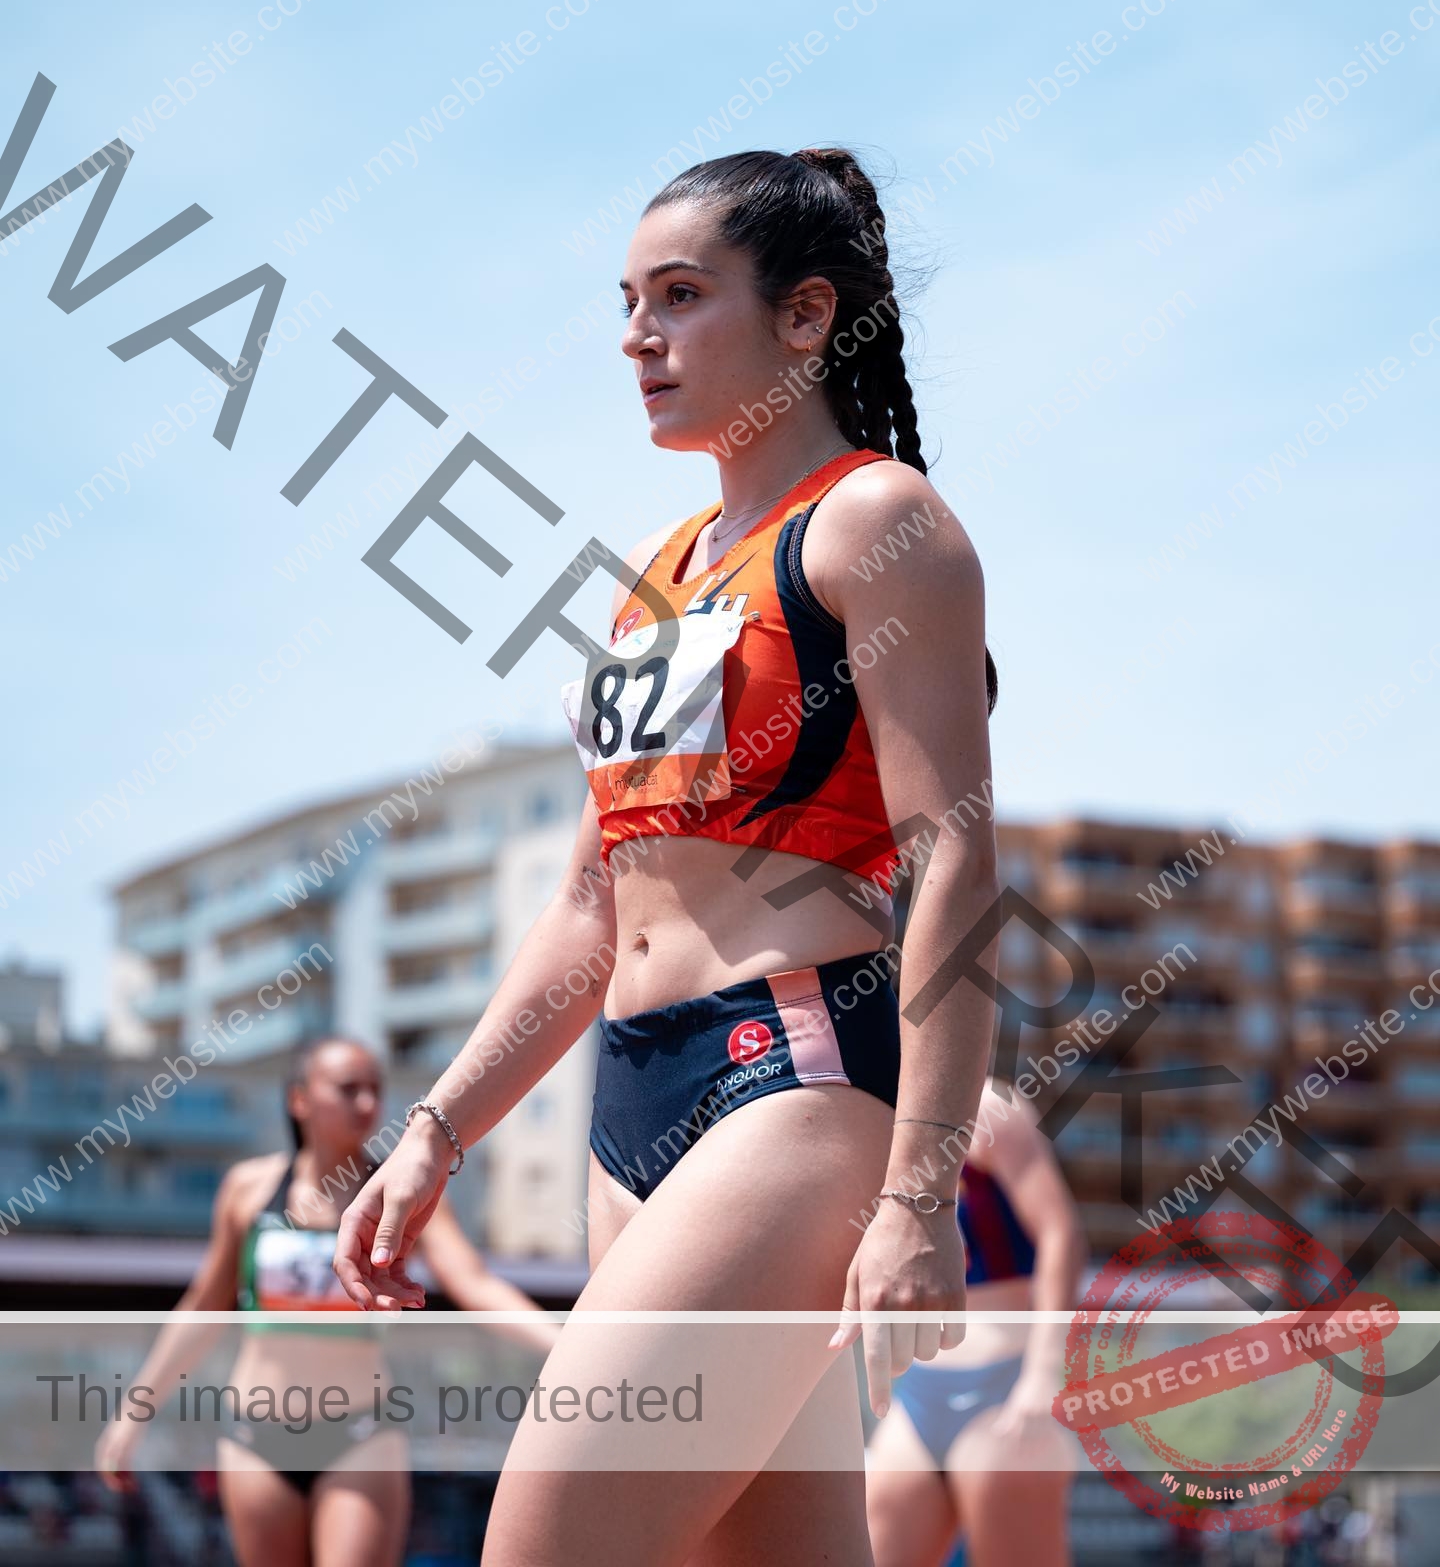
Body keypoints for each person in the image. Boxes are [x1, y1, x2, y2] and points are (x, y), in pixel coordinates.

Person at [334, 146, 1002, 1566]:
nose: (637, 336)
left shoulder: (878, 523)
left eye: (681, 296)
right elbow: (593, 902)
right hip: (629, 1108)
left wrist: (920, 1196)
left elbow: (954, 868)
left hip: (795, 1083)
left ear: (806, 316)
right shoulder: (658, 571)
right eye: (627, 301)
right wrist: (438, 1130)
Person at [95, 1036, 553, 1567]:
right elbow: (203, 1305)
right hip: (254, 1435)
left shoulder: (403, 1191)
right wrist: (134, 1413)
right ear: (299, 1099)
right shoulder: (248, 1189)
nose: (367, 1104)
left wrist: (569, 1344)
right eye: (347, 1089)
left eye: (375, 1090)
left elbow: (473, 1282)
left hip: (360, 1434)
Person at [866, 1080, 1088, 1567]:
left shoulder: (987, 1109)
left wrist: (1042, 1376)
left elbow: (1061, 1234)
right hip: (921, 1392)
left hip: (1005, 1387)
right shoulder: (875, 1111)